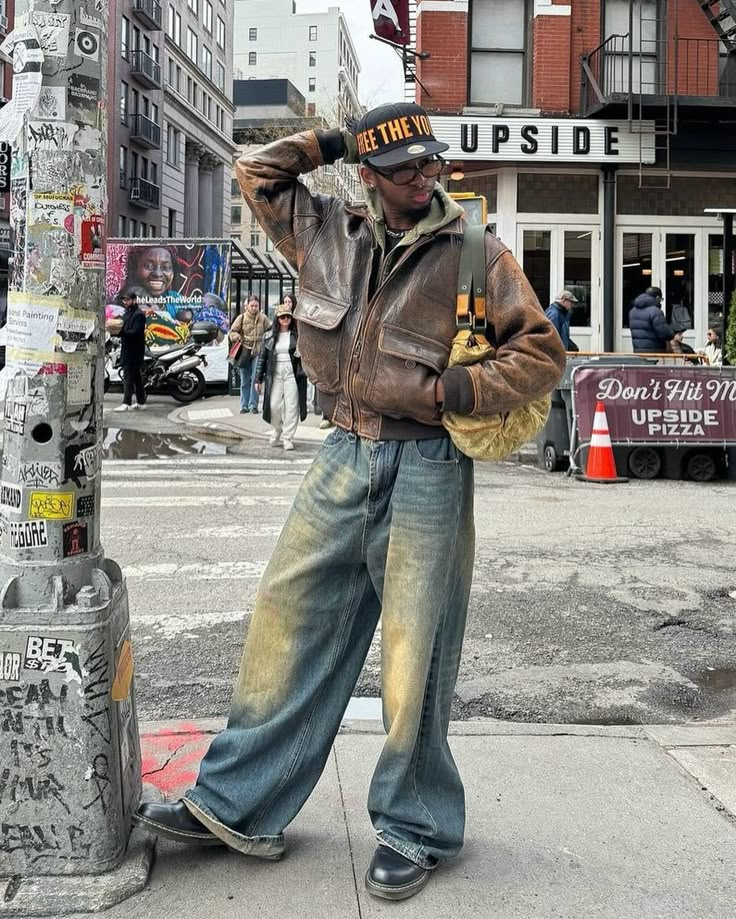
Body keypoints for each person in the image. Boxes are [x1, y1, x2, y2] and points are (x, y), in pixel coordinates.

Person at [134, 102, 565, 901]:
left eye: (429, 163)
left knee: (416, 654)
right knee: (285, 621)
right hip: (342, 450)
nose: (423, 177)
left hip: (429, 459)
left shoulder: (473, 249)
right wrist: (336, 137)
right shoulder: (323, 228)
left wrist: (456, 388)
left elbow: (542, 351)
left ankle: (416, 825)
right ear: (368, 175)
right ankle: (239, 806)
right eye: (404, 168)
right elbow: (255, 171)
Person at [255, 303, 307, 451]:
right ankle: (277, 429)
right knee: (273, 406)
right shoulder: (268, 336)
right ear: (277, 318)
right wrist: (258, 379)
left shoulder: (297, 336)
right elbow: (262, 359)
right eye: (282, 317)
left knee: (292, 407)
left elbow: (305, 356)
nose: (286, 319)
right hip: (275, 374)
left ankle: (287, 437)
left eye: (288, 316)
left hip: (292, 374)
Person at [228, 295, 271, 413]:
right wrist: (237, 337)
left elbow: (271, 331)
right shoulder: (241, 318)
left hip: (258, 351)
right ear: (246, 306)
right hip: (244, 352)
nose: (253, 308)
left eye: (256, 306)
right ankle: (244, 405)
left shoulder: (263, 318)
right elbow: (232, 332)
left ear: (259, 306)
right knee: (244, 380)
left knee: (255, 379)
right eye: (251, 306)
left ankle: (253, 405)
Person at [114, 291, 147, 412]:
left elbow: (136, 332)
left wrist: (122, 333)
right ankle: (141, 402)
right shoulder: (127, 313)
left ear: (134, 300)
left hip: (134, 351)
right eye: (124, 300)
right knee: (137, 378)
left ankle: (126, 403)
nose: (125, 302)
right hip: (127, 349)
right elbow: (121, 326)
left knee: (128, 376)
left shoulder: (139, 315)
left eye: (128, 300)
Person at [629, 286, 674, 353]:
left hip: (638, 351)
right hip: (655, 351)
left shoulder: (632, 311)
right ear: (657, 298)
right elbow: (664, 333)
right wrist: (672, 333)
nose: (661, 302)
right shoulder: (655, 311)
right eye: (661, 300)